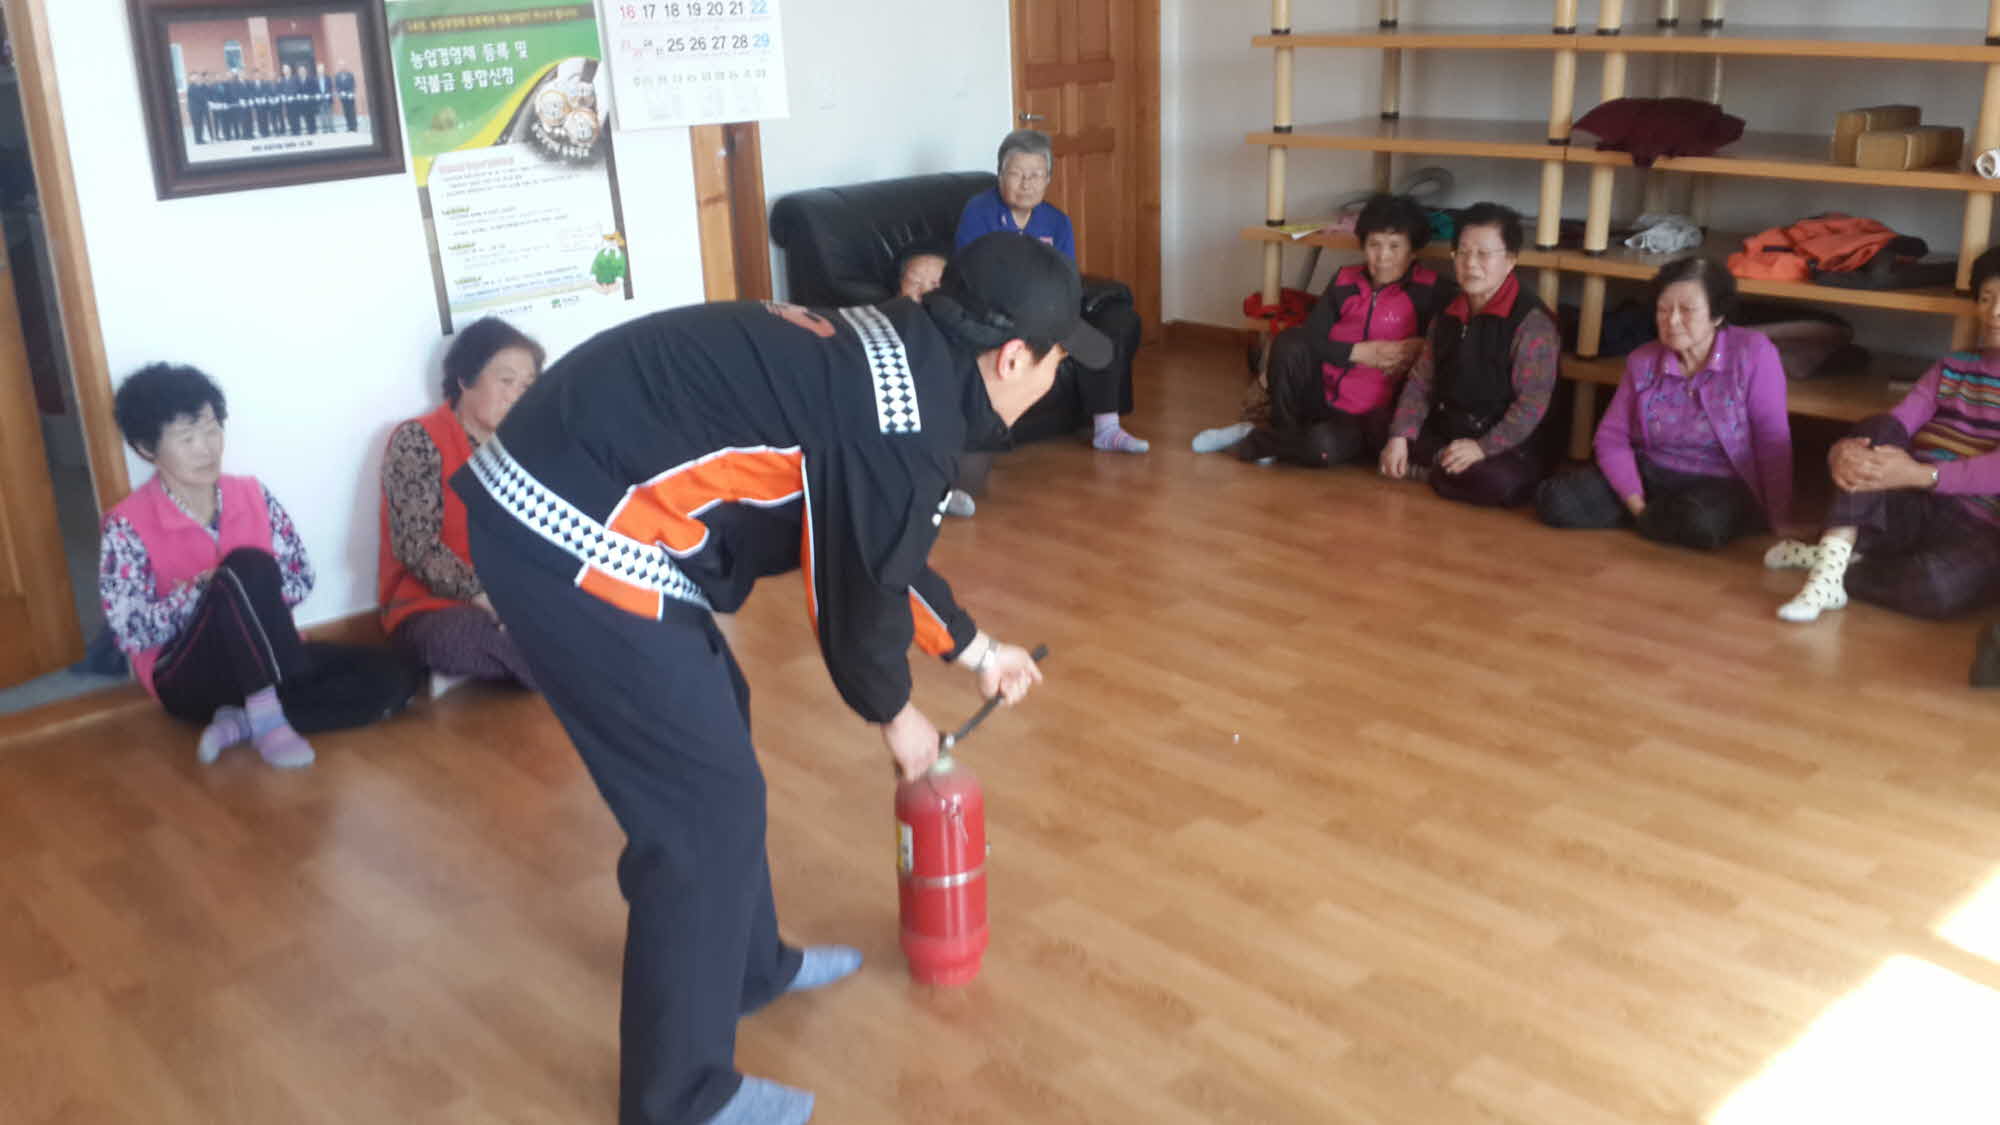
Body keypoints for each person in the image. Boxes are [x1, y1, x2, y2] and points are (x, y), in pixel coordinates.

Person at [452, 232, 1066, 1125]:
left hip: (589, 485)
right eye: (1056, 361)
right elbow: (858, 604)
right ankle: (679, 1100)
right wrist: (898, 719)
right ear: (1011, 357)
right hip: (562, 518)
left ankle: (746, 967)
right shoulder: (904, 418)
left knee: (716, 722)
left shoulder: (907, 353)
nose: (1056, 378)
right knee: (698, 809)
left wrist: (977, 652)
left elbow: (875, 550)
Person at [98, 364, 415, 768]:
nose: (206, 448)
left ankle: (245, 721)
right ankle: (266, 715)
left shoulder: (250, 494)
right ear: (146, 449)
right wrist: (206, 591)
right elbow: (131, 632)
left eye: (212, 429)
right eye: (187, 438)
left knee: (396, 678)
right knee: (245, 565)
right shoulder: (127, 524)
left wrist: (244, 593)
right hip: (191, 676)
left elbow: (300, 579)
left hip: (272, 655)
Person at [1768, 245, 2000, 623]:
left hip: (1978, 520)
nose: (1994, 313)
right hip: (1906, 499)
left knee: (1938, 587)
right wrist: (1841, 451)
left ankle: (1837, 563)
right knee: (1877, 427)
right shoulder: (1953, 366)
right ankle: (1829, 571)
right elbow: (1900, 421)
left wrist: (1923, 475)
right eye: (1987, 299)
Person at [1536, 257, 1792, 549]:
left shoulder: (1754, 353)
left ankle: (1664, 519)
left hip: (1719, 482)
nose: (1672, 321)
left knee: (1700, 521)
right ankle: (1656, 519)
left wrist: (1779, 517)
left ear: (1717, 314)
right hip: (1653, 472)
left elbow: (1772, 441)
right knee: (1556, 500)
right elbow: (1611, 437)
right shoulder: (1642, 360)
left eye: (1687, 310)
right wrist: (1636, 504)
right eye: (1663, 309)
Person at [955, 128, 1149, 453]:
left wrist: (1060, 316)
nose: (1026, 183)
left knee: (1107, 337)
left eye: (1036, 175)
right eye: (1016, 174)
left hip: (1046, 313)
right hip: (995, 312)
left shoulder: (1057, 222)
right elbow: (973, 275)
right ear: (1000, 175)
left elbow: (1065, 279)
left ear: (1048, 179)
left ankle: (1107, 428)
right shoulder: (978, 212)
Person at [1220, 193, 1450, 467]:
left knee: (1322, 448)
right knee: (1289, 341)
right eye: (1374, 245)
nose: (1382, 257)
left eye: (1394, 246)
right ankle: (1283, 434)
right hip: (1321, 396)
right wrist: (1358, 353)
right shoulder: (1344, 280)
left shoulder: (1430, 289)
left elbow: (1453, 342)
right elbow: (1311, 339)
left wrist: (1422, 345)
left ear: (1412, 251)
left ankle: (1261, 441)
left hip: (1368, 416)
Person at [379, 318, 544, 688]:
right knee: (452, 640)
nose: (516, 395)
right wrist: (490, 598)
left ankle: (546, 659)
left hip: (517, 595)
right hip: (436, 604)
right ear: (465, 379)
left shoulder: (527, 446)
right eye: (505, 381)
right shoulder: (418, 439)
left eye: (526, 385)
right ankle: (566, 667)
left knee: (600, 606)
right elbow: (416, 548)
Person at [1378, 202, 1560, 507]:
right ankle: (1439, 464)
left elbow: (1531, 406)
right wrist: (1400, 436)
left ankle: (1430, 469)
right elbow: (1421, 382)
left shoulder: (1532, 323)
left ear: (1510, 260)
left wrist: (1481, 448)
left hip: (1507, 443)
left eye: (1483, 254)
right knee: (1378, 425)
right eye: (1462, 253)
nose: (1470, 263)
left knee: (1498, 482)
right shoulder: (1448, 312)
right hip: (1451, 426)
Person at [335, 61, 359, 133]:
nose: (342, 67)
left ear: (345, 66)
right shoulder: (337, 76)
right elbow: (337, 86)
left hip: (350, 96)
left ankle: (354, 127)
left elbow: (353, 84)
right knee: (346, 112)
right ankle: (349, 126)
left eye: (343, 65)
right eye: (340, 65)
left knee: (352, 111)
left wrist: (351, 92)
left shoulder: (350, 74)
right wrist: (340, 92)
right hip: (343, 97)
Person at [187, 72, 209, 146]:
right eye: (194, 77)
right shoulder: (191, 87)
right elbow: (198, 96)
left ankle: (200, 138)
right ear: (191, 78)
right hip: (194, 110)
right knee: (197, 125)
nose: (196, 78)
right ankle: (197, 140)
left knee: (201, 124)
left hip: (200, 109)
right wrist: (206, 100)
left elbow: (205, 91)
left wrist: (204, 83)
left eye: (196, 77)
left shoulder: (198, 86)